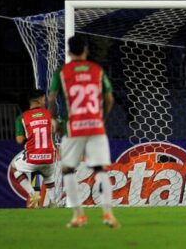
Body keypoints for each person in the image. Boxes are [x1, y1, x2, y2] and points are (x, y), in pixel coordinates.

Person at [48, 36, 118, 228]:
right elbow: (110, 98)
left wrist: (54, 119)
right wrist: (101, 119)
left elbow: (52, 98)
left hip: (73, 128)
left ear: (69, 52)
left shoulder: (62, 73)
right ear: (86, 50)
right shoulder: (97, 70)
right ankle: (108, 215)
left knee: (68, 169)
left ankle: (79, 216)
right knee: (101, 169)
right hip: (96, 126)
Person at [13, 89, 58, 208]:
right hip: (50, 157)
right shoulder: (50, 114)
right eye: (44, 99)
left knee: (14, 168)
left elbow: (19, 140)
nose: (45, 101)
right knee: (47, 176)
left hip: (32, 158)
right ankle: (53, 202)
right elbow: (55, 130)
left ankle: (33, 195)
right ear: (38, 100)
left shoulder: (22, 117)